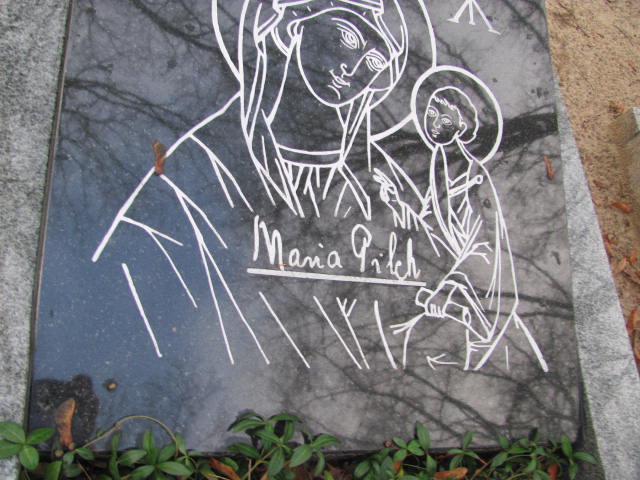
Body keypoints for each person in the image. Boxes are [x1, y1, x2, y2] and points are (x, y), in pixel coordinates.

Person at [388, 68, 548, 372]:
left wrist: (449, 289)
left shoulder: (474, 179)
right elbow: (432, 228)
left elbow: (484, 245)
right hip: (442, 289)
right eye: (431, 114)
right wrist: (397, 204)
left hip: (475, 300)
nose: (436, 123)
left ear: (465, 124)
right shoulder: (437, 166)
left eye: (446, 116)